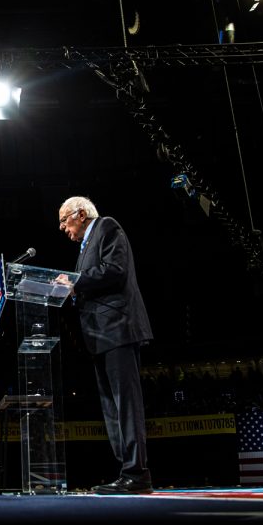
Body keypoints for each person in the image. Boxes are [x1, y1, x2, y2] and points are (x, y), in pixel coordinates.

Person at [56, 196, 154, 494]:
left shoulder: (107, 227)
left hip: (118, 329)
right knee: (112, 409)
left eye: (64, 220)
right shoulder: (84, 247)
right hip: (99, 336)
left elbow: (116, 270)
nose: (62, 228)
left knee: (125, 405)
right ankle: (127, 473)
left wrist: (75, 281)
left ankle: (137, 473)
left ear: (81, 214)